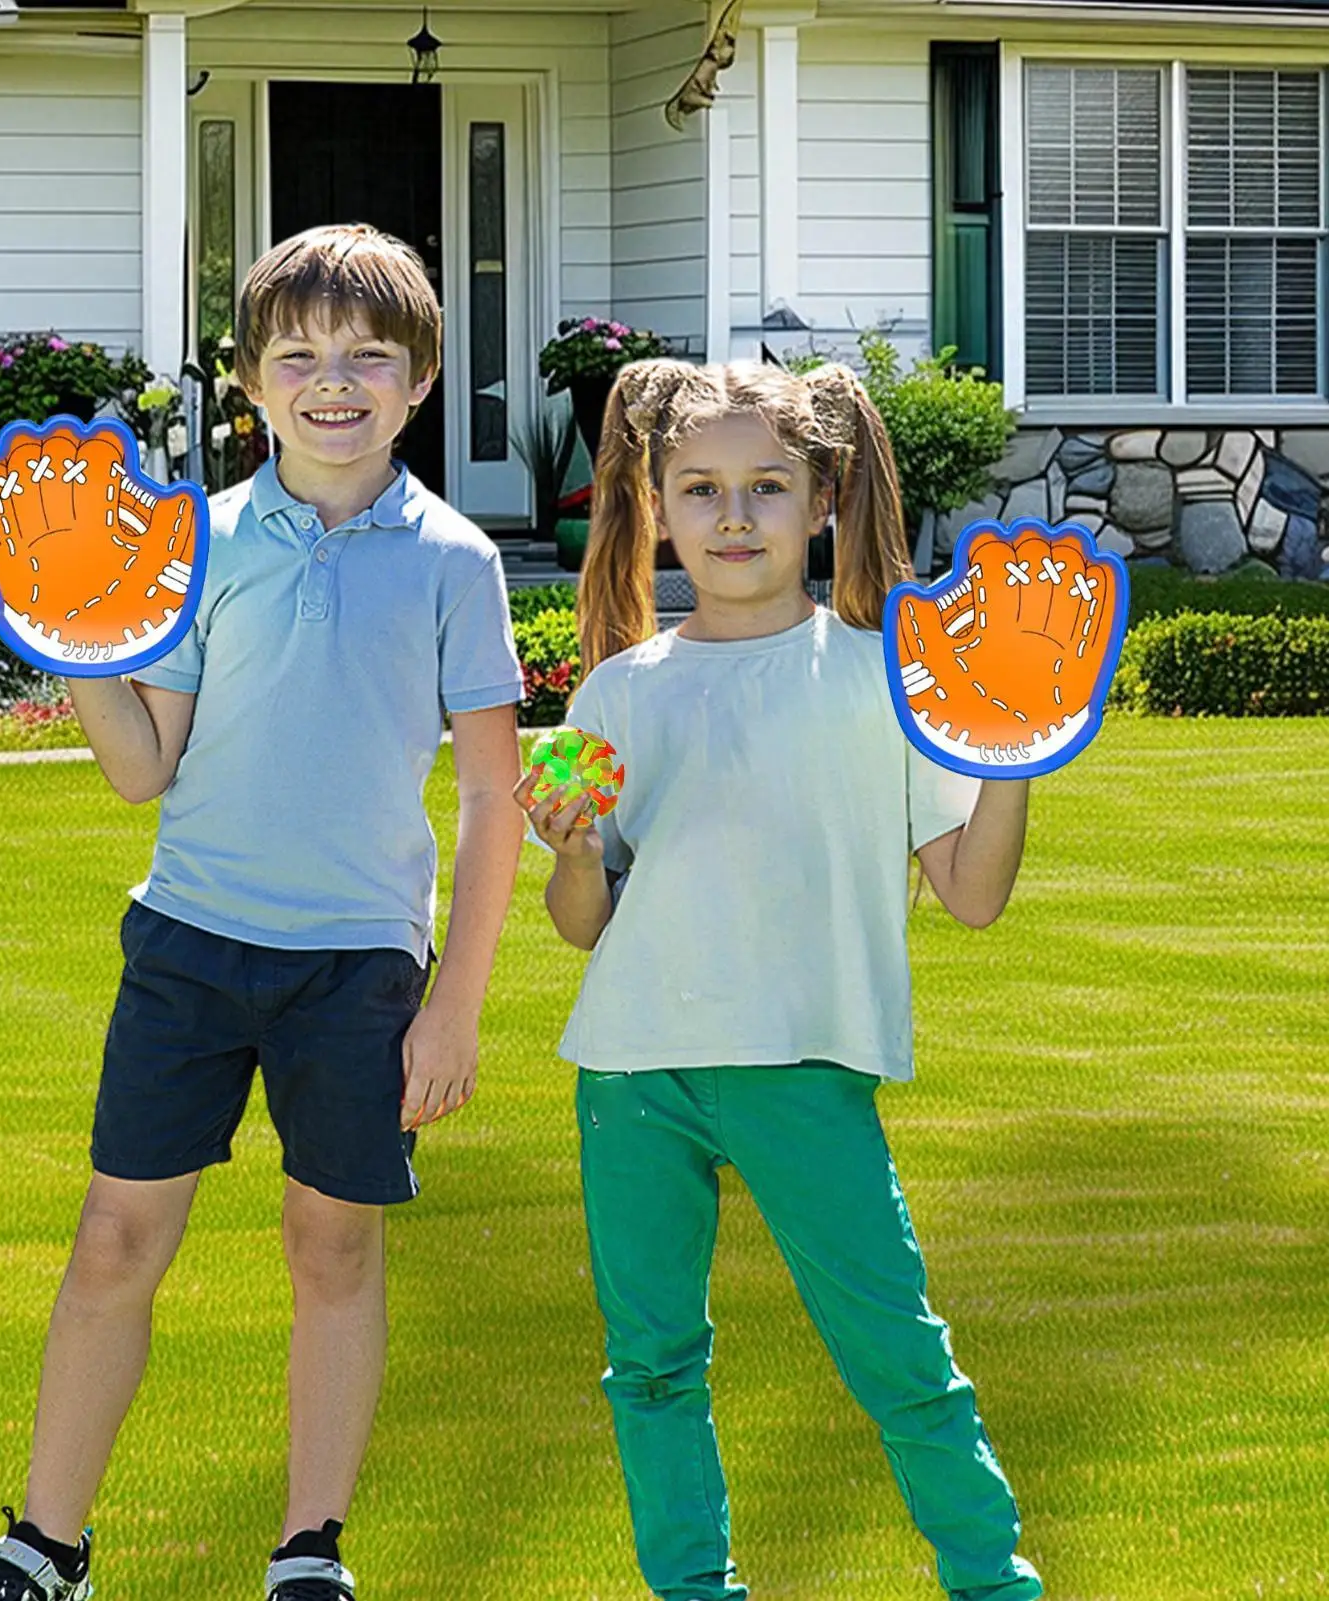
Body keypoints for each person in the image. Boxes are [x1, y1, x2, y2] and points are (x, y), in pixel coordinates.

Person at [0, 223, 526, 1601]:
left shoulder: (455, 560)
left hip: (359, 966)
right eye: (298, 356)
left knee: (333, 1244)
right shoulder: (189, 543)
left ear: (420, 380)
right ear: (250, 382)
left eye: (367, 357)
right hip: (189, 945)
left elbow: (493, 796)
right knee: (113, 1240)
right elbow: (144, 768)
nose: (333, 382)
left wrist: (454, 1004)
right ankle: (42, 1546)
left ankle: (308, 1549)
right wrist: (75, 642)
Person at [519, 357, 1044, 1601]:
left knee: (897, 1353)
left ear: (822, 498)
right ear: (655, 506)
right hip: (631, 1071)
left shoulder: (882, 679)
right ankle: (691, 1587)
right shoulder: (618, 689)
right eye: (699, 488)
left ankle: (991, 1580)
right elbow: (583, 925)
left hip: (804, 1066)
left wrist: (1017, 750)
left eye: (765, 485)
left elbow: (970, 893)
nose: (734, 516)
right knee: (651, 1365)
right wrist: (576, 852)